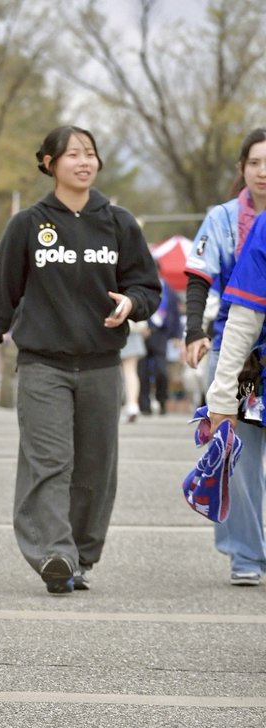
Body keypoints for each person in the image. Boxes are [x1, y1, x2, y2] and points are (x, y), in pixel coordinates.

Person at [0, 125, 160, 594]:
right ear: (48, 163)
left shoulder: (118, 223)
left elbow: (148, 287)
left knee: (95, 467)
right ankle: (54, 554)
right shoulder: (28, 224)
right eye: (72, 154)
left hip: (100, 364)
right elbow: (1, 293)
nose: (84, 161)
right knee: (50, 462)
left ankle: (81, 555)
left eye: (90, 153)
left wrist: (132, 304)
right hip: (42, 365)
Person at [183, 127, 266, 586]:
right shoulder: (225, 218)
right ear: (242, 169)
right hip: (244, 354)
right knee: (242, 455)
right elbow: (198, 274)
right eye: (255, 162)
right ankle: (246, 554)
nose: (263, 171)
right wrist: (194, 329)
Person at [139, 278, 182, 415]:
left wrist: (177, 335)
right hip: (143, 333)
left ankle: (162, 400)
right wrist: (141, 325)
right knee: (142, 372)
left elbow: (175, 314)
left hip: (161, 334)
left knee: (161, 370)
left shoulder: (169, 290)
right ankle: (144, 405)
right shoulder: (142, 286)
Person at [118, 318, 148, 422]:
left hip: (116, 329)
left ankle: (123, 406)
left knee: (115, 372)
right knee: (131, 371)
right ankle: (132, 405)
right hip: (133, 328)